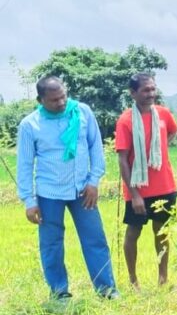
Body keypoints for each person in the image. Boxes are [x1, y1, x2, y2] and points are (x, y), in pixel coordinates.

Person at [17, 76, 118, 300]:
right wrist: (29, 201)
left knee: (95, 239)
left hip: (83, 191)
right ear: (40, 100)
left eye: (63, 96)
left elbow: (95, 148)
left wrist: (94, 181)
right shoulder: (30, 124)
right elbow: (24, 164)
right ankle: (60, 292)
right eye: (54, 100)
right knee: (51, 244)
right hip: (49, 193)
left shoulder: (82, 112)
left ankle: (107, 290)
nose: (61, 102)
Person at [115, 72, 177, 289]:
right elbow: (123, 160)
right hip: (139, 190)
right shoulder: (125, 121)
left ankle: (163, 279)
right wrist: (134, 195)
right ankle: (133, 281)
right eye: (145, 90)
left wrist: (156, 151)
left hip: (165, 186)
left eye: (153, 89)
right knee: (133, 233)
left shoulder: (163, 114)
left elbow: (172, 132)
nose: (151, 93)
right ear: (133, 93)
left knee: (162, 232)